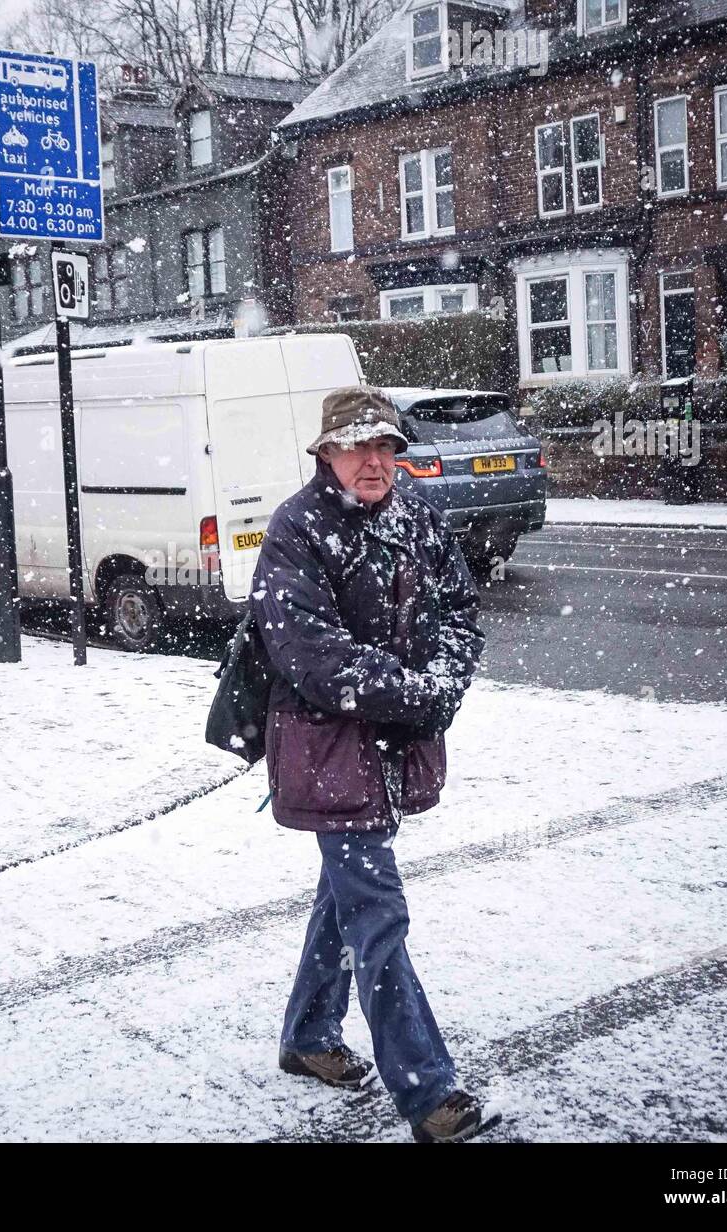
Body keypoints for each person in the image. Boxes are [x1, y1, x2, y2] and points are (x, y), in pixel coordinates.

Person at [249, 385, 495, 1143]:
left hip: (394, 741)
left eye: (386, 446)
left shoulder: (415, 516)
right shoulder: (296, 528)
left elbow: (460, 612)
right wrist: (416, 694)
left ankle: (307, 1036)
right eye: (358, 446)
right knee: (377, 911)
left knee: (346, 894)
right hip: (326, 747)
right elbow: (314, 656)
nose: (375, 461)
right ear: (327, 453)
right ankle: (429, 1092)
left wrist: (442, 684)